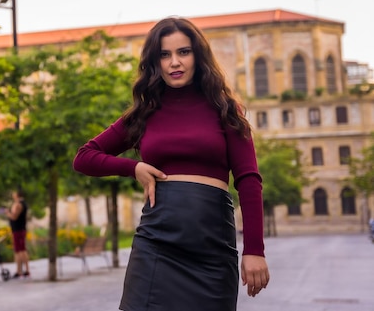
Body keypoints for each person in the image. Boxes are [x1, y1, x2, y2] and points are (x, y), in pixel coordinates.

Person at [73, 17, 270, 310]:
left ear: (198, 56)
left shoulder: (226, 109)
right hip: (156, 242)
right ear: (155, 62)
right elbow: (84, 157)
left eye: (183, 52)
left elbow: (249, 180)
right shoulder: (144, 113)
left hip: (212, 246)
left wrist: (254, 250)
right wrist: (134, 168)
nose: (174, 62)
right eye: (164, 55)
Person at [5, 189, 30, 279]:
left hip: (18, 230)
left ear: (17, 194)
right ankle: (19, 271)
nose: (12, 194)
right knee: (18, 250)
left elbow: (14, 217)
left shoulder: (19, 205)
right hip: (18, 230)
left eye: (14, 193)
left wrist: (8, 213)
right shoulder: (22, 204)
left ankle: (26, 271)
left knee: (21, 250)